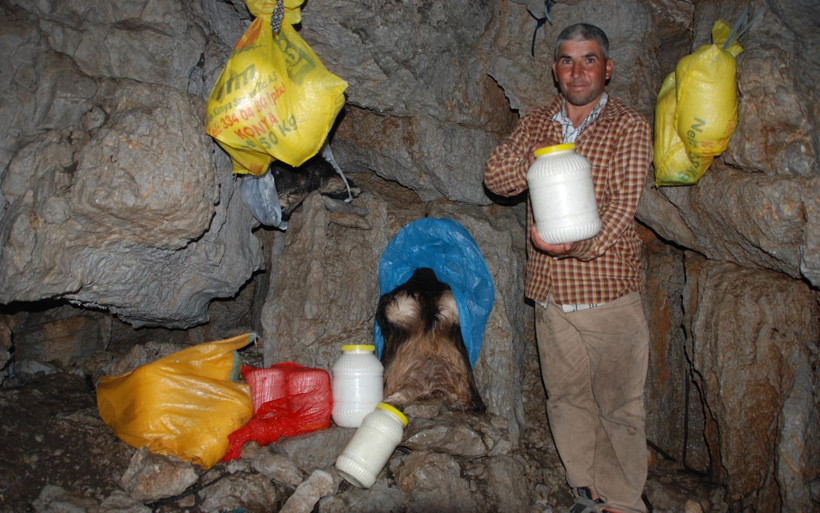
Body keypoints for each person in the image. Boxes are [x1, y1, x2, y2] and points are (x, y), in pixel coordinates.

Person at [484, 23, 652, 513]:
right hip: (552, 293)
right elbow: (496, 177)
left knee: (620, 406)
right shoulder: (538, 122)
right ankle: (587, 490)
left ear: (608, 68)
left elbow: (622, 209)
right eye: (567, 61)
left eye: (590, 59)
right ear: (555, 71)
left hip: (609, 292)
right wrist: (539, 157)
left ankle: (623, 502)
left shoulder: (628, 126)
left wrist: (576, 247)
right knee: (565, 399)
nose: (578, 71)